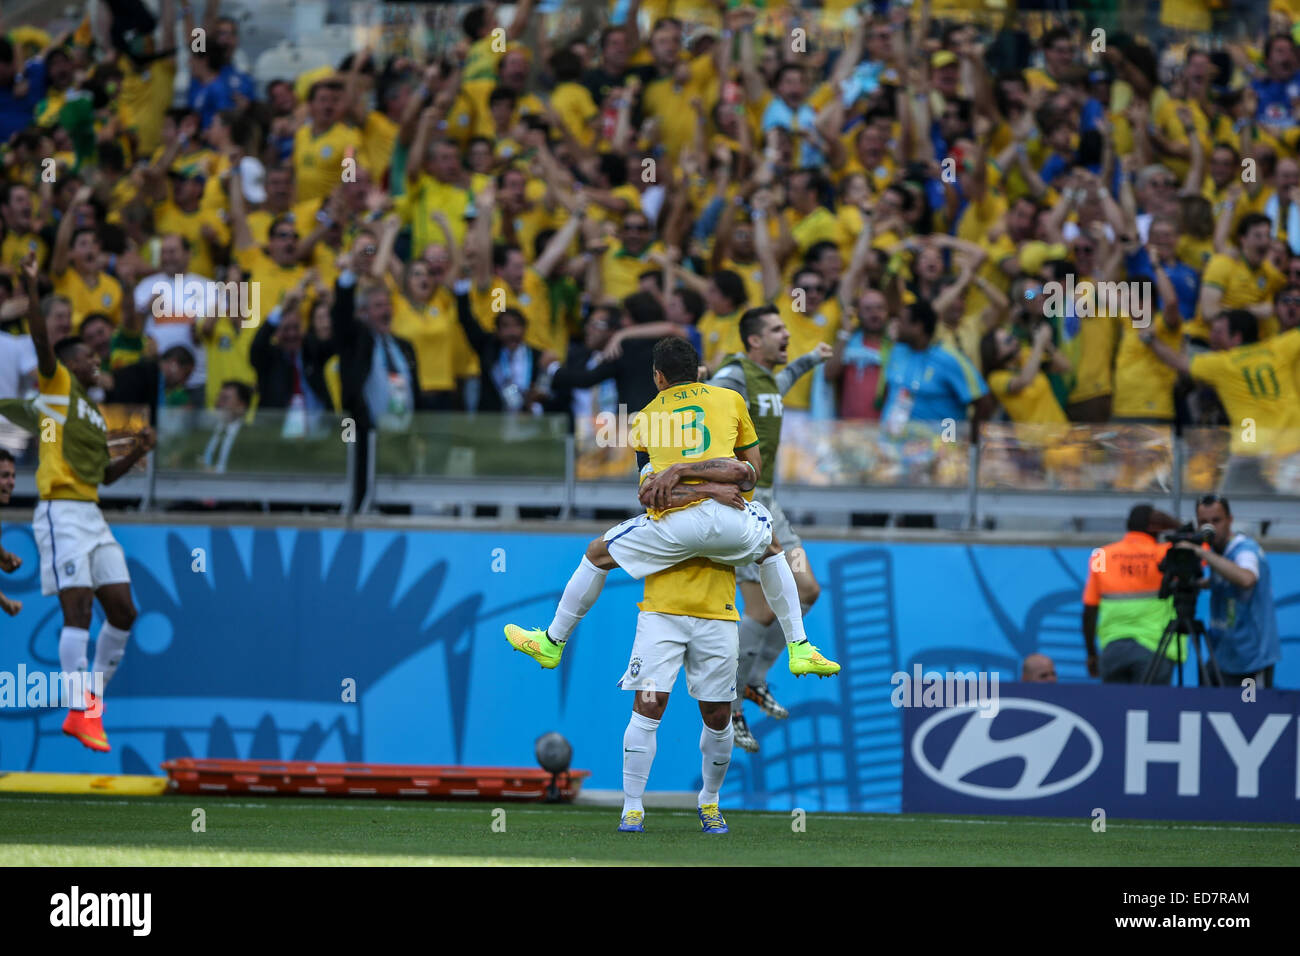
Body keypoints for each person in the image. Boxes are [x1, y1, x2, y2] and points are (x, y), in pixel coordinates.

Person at [505, 336, 839, 679]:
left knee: (596, 554)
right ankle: (799, 647)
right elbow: (751, 473)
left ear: (658, 377)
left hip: (675, 527)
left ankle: (552, 641)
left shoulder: (645, 417)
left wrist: (686, 480)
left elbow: (651, 495)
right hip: (732, 522)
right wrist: (714, 487)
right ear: (697, 371)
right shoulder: (731, 400)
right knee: (772, 548)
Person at [18, 254, 155, 751]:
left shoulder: (93, 416)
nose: (97, 362)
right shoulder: (57, 386)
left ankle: (88, 701)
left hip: (91, 513)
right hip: (59, 511)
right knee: (76, 613)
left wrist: (135, 451)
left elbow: (102, 476)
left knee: (122, 611)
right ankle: (83, 710)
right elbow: (40, 339)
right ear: (71, 360)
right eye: (90, 359)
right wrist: (32, 288)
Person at [708, 306, 832, 752]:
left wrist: (810, 360)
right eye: (778, 330)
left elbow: (779, 388)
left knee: (807, 591)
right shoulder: (734, 375)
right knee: (761, 612)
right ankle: (732, 701)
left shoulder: (763, 381)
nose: (786, 335)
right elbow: (711, 400)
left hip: (772, 506)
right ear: (754, 341)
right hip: (744, 508)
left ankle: (756, 680)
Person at [1142, 311, 1300, 493]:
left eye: (1218, 332)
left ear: (1237, 337)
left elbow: (1178, 362)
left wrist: (1149, 339)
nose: (1212, 337)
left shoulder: (1222, 363)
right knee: (1291, 512)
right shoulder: (1279, 347)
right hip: (1291, 442)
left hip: (1251, 446)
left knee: (1234, 511)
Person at [1181, 495, 1280, 688]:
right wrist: (1200, 583)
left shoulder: (1245, 549)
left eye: (1216, 520)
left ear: (1230, 520)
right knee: (1214, 709)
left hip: (1251, 662)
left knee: (1250, 714)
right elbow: (1225, 579)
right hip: (1224, 656)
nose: (1210, 527)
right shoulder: (1220, 552)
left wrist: (1203, 553)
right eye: (1203, 522)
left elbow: (1246, 578)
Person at [1082, 504, 1182, 684]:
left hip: (1113, 649)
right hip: (1155, 647)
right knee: (1152, 709)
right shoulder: (1165, 553)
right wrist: (1175, 524)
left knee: (1115, 710)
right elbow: (1205, 545)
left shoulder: (1101, 556)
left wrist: (1091, 655)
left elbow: (1089, 611)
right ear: (1157, 526)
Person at [0, 447, 21, 616]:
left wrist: (5, 558)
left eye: (13, 476)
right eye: (5, 476)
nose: (12, 482)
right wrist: (5, 602)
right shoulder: (48, 424)